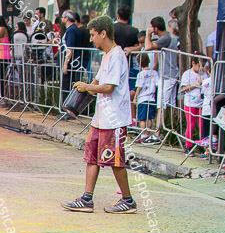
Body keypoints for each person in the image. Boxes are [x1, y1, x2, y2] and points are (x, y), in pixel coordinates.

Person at [62, 16, 136, 215]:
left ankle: (127, 200)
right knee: (92, 156)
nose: (91, 39)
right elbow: (98, 81)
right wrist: (85, 89)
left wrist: (88, 86)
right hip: (101, 118)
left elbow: (109, 87)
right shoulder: (106, 56)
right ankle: (87, 198)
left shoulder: (117, 56)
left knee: (114, 160)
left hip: (114, 119)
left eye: (93, 35)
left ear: (104, 33)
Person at [145, 16, 178, 128]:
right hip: (171, 74)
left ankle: (157, 132)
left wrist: (148, 35)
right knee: (171, 104)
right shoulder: (169, 37)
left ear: (155, 28)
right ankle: (171, 129)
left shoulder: (165, 38)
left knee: (161, 105)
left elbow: (148, 47)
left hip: (167, 76)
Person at [180, 56, 204, 148]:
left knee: (202, 125)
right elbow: (184, 88)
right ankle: (188, 146)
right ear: (193, 63)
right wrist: (195, 85)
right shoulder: (187, 74)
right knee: (191, 125)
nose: (200, 68)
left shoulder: (203, 74)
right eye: (199, 65)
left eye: (202, 66)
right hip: (190, 103)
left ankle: (203, 146)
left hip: (201, 103)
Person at [134, 53, 159, 142]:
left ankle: (143, 134)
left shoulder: (140, 74)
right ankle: (148, 133)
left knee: (142, 118)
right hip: (151, 98)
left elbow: (139, 87)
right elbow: (157, 84)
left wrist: (135, 97)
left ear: (138, 63)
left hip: (142, 98)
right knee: (149, 118)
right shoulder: (155, 73)